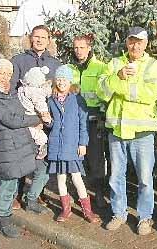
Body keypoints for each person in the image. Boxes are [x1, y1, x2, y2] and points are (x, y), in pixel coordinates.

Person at [96, 26, 157, 235]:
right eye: (132, 41)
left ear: (146, 44)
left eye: (140, 42)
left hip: (142, 132)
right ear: (127, 42)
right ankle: (119, 213)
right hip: (116, 130)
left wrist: (120, 87)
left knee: (144, 178)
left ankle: (145, 218)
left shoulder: (153, 65)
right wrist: (117, 77)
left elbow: (150, 95)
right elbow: (101, 91)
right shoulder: (115, 64)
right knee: (116, 175)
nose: (135, 45)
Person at [0, 56, 49, 238]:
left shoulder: (11, 91)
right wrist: (36, 119)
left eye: (9, 73)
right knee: (9, 182)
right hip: (8, 144)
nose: (5, 77)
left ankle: (31, 199)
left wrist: (28, 120)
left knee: (42, 169)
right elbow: (10, 120)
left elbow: (20, 114)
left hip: (24, 138)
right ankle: (4, 218)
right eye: (2, 73)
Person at [10, 24, 62, 209]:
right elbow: (12, 91)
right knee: (23, 158)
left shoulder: (55, 64)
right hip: (25, 120)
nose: (39, 40)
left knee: (42, 159)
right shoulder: (19, 60)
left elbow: (58, 92)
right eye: (36, 36)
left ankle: (37, 193)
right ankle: (17, 194)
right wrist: (22, 118)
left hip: (47, 121)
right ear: (31, 38)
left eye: (43, 37)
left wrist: (48, 119)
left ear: (49, 41)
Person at [47, 65, 100, 223]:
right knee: (60, 179)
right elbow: (49, 124)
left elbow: (83, 124)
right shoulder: (51, 100)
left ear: (70, 82)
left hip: (72, 146)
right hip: (57, 146)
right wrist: (47, 121)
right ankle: (66, 209)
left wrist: (83, 143)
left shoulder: (78, 100)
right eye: (59, 79)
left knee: (77, 179)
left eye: (65, 79)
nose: (62, 82)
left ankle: (87, 211)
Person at [68, 34, 108, 207]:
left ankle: (99, 193)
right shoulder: (69, 69)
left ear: (89, 48)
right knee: (75, 157)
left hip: (93, 119)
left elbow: (107, 94)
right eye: (76, 48)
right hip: (73, 120)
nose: (79, 51)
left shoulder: (101, 67)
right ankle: (79, 192)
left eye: (82, 47)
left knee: (96, 158)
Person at [17, 66, 52, 160]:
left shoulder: (21, 89)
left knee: (31, 132)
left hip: (23, 115)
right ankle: (43, 146)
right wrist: (46, 116)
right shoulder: (35, 91)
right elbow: (40, 104)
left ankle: (40, 147)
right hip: (32, 115)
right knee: (39, 134)